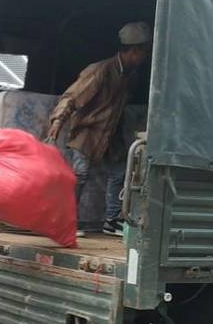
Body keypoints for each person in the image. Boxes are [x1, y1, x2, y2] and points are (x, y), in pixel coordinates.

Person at [47, 22, 152, 237]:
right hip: (88, 133)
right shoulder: (100, 71)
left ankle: (112, 221)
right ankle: (65, 223)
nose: (145, 57)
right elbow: (72, 97)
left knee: (120, 173)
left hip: (110, 134)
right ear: (135, 51)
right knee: (79, 175)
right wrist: (58, 121)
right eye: (144, 52)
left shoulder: (130, 76)